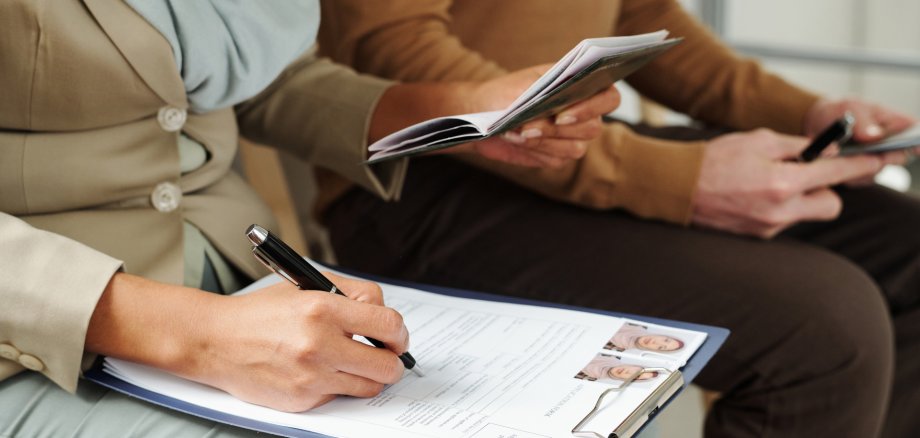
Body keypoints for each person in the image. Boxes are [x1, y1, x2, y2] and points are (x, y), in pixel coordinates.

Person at [301, 1, 920, 437]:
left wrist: (807, 114)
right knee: (824, 324)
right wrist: (680, 179)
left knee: (907, 245)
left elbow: (640, 14)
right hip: (429, 176)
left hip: (582, 141)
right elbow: (389, 44)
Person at [0, 1, 620, 435]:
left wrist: (458, 110)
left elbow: (259, 84)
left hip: (243, 275)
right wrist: (200, 335)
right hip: (41, 328)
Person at [605, 323, 685, 353]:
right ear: (662, 335)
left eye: (660, 347)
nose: (655, 342)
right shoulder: (635, 324)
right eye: (666, 340)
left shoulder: (617, 350)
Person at [577, 355, 659, 383]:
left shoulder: (591, 378)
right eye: (637, 371)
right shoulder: (610, 357)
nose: (628, 372)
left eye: (635, 377)